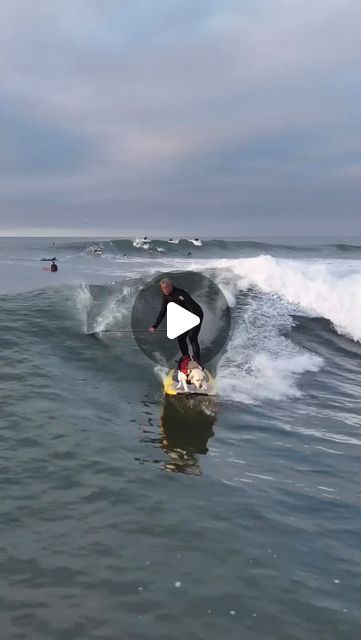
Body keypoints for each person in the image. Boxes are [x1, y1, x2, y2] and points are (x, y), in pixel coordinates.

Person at [149, 278, 203, 363]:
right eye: (163, 288)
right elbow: (163, 311)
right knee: (180, 338)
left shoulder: (181, 293)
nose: (165, 290)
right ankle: (186, 359)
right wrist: (155, 326)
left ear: (171, 286)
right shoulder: (166, 296)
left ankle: (197, 361)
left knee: (192, 337)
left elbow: (192, 307)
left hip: (196, 314)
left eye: (167, 287)